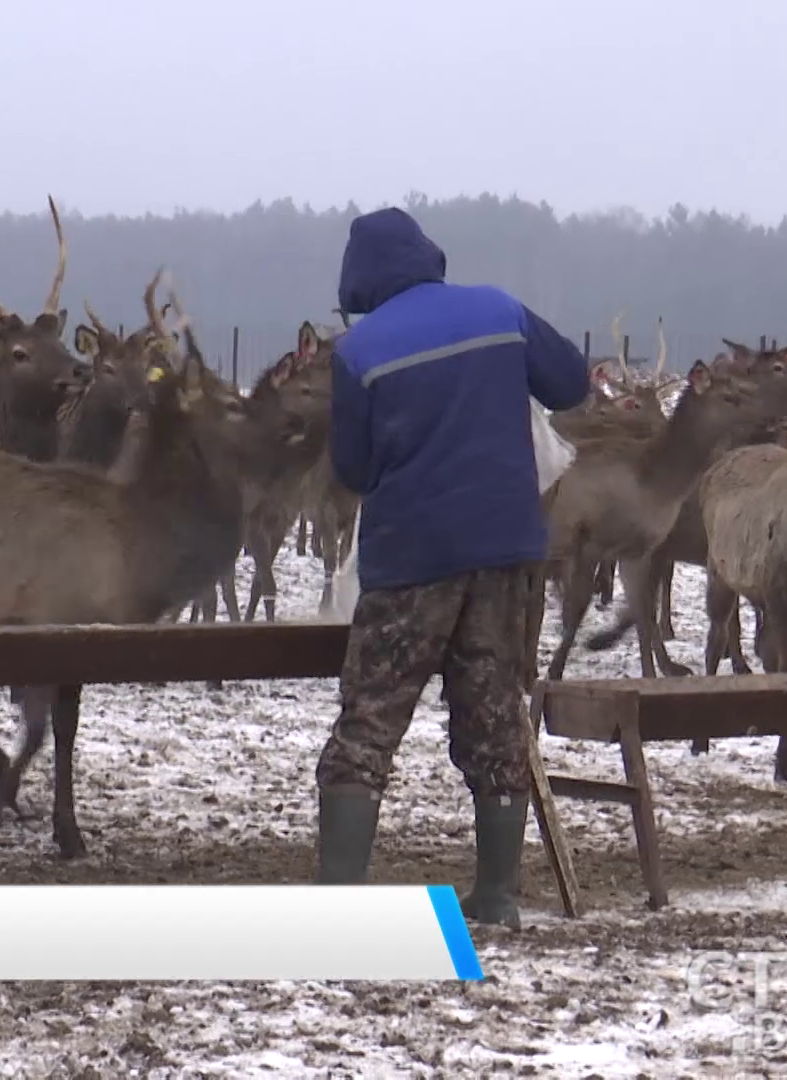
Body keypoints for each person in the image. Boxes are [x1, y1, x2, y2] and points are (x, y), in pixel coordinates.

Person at [313, 207, 589, 929]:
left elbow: (353, 467)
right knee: (495, 716)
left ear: (358, 283)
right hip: (506, 549)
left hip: (411, 557)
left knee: (370, 721)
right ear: (429, 256)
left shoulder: (358, 350)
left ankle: (342, 900)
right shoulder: (499, 309)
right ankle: (496, 896)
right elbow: (570, 384)